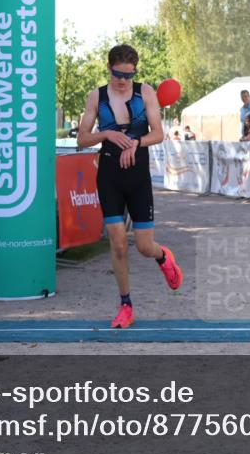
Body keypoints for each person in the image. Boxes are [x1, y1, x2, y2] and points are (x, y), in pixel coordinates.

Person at [76, 43, 183, 329]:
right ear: (109, 69)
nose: (123, 81)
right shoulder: (96, 97)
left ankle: (164, 256)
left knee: (144, 247)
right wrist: (108, 133)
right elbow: (82, 139)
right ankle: (126, 305)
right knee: (119, 244)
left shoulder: (144, 92)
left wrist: (136, 141)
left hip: (137, 176)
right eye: (118, 75)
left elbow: (158, 133)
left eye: (128, 75)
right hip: (109, 176)